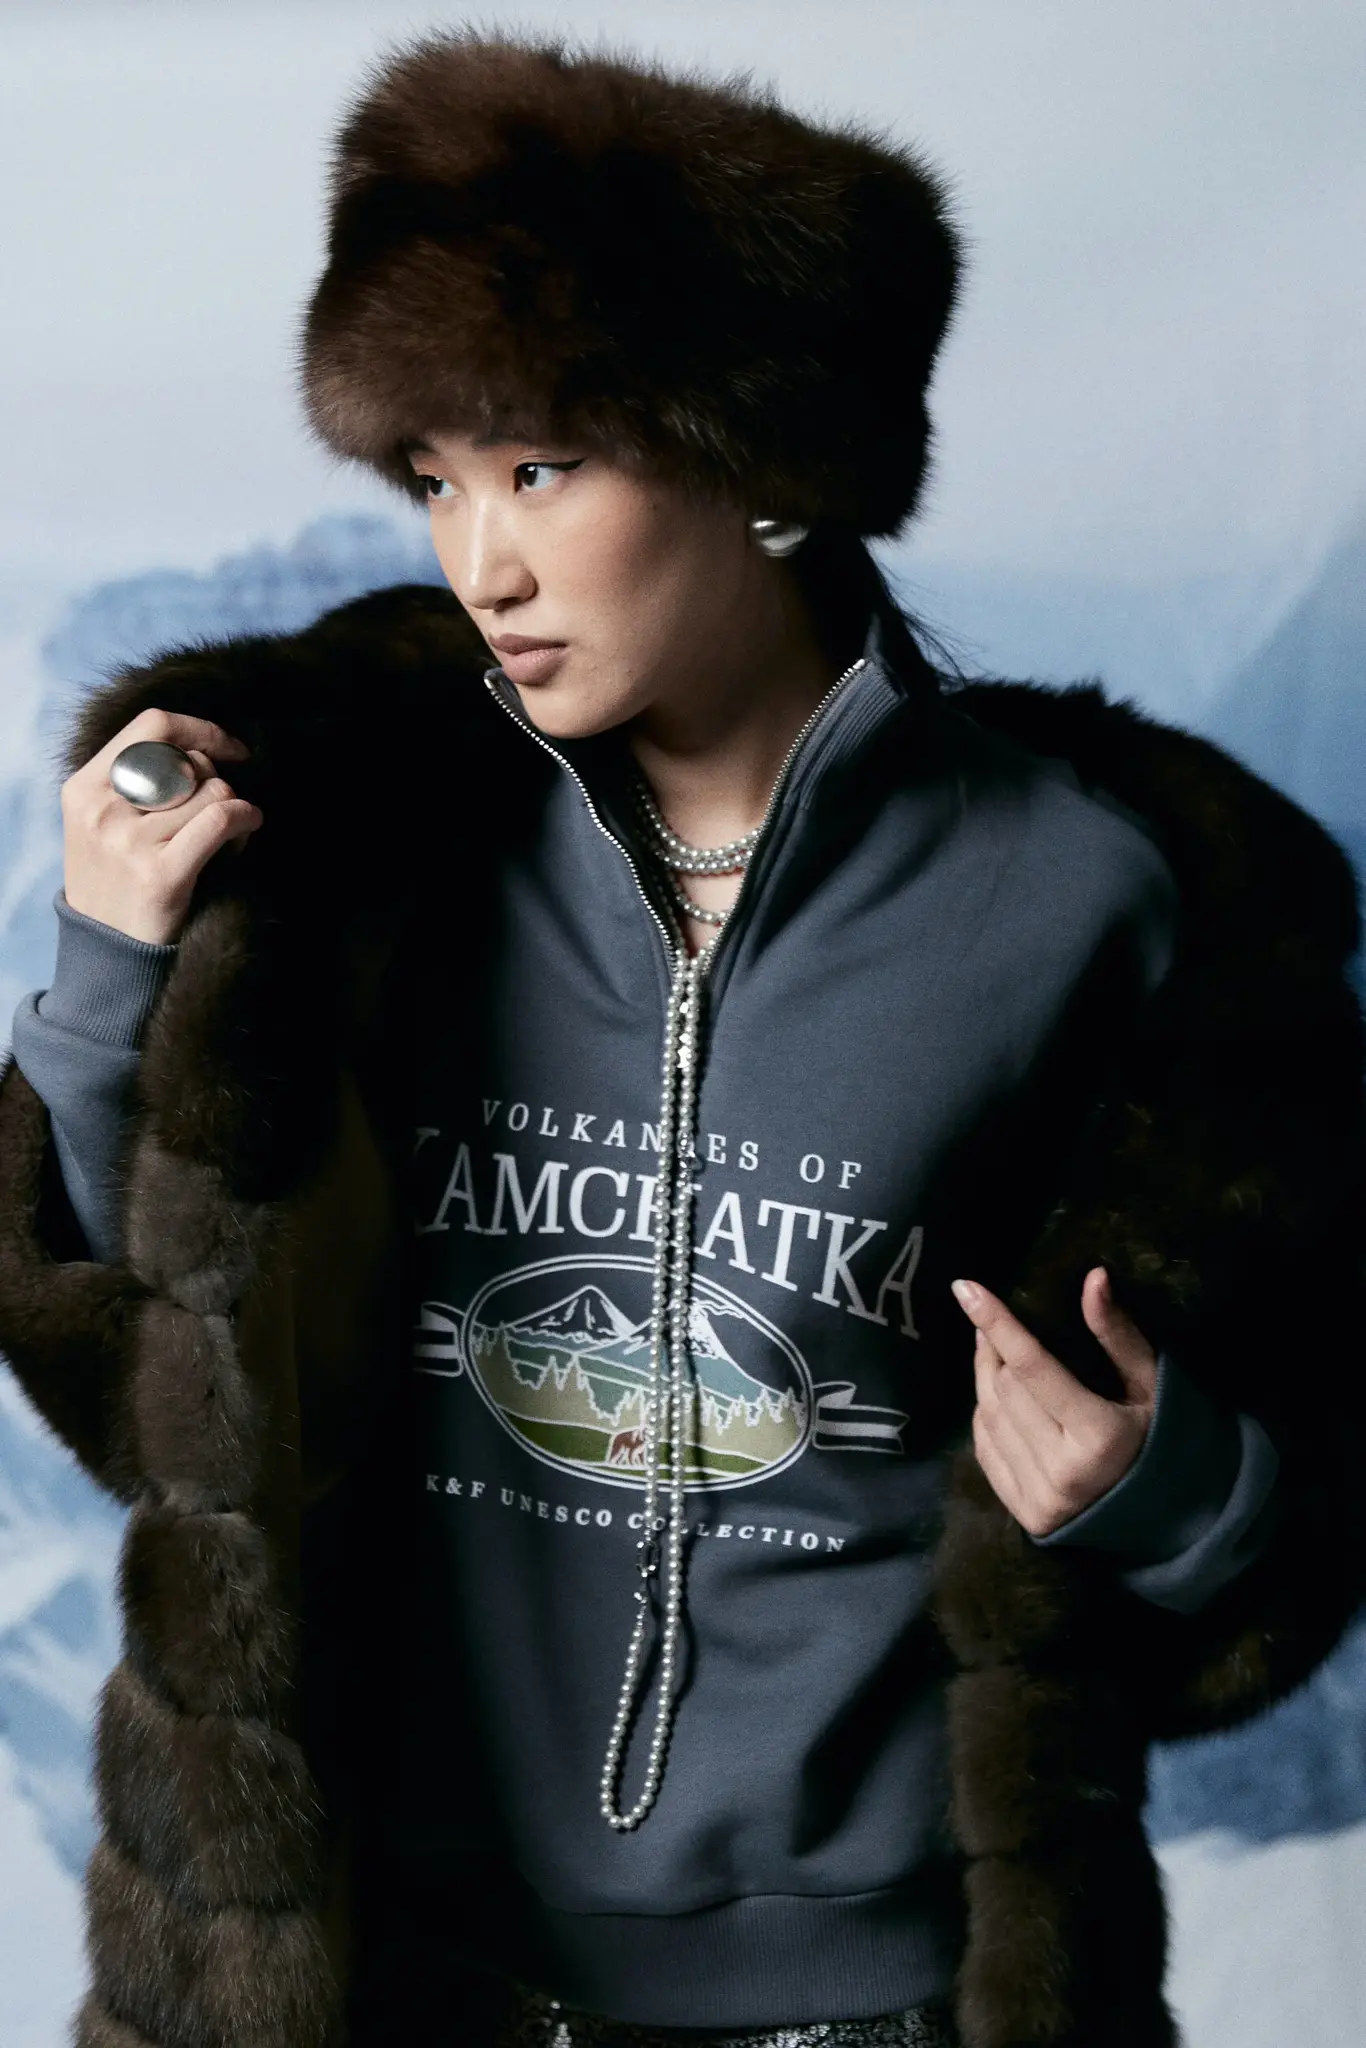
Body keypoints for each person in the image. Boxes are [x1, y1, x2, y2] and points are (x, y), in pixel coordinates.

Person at [1, 28, 1363, 2048]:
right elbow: (165, 1404)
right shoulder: (362, 850)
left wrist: (1158, 1488)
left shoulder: (1102, 898)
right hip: (391, 1977)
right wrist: (113, 975)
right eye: (435, 479)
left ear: (765, 462)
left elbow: (1284, 1517)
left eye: (542, 467)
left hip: (887, 2002)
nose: (480, 562)